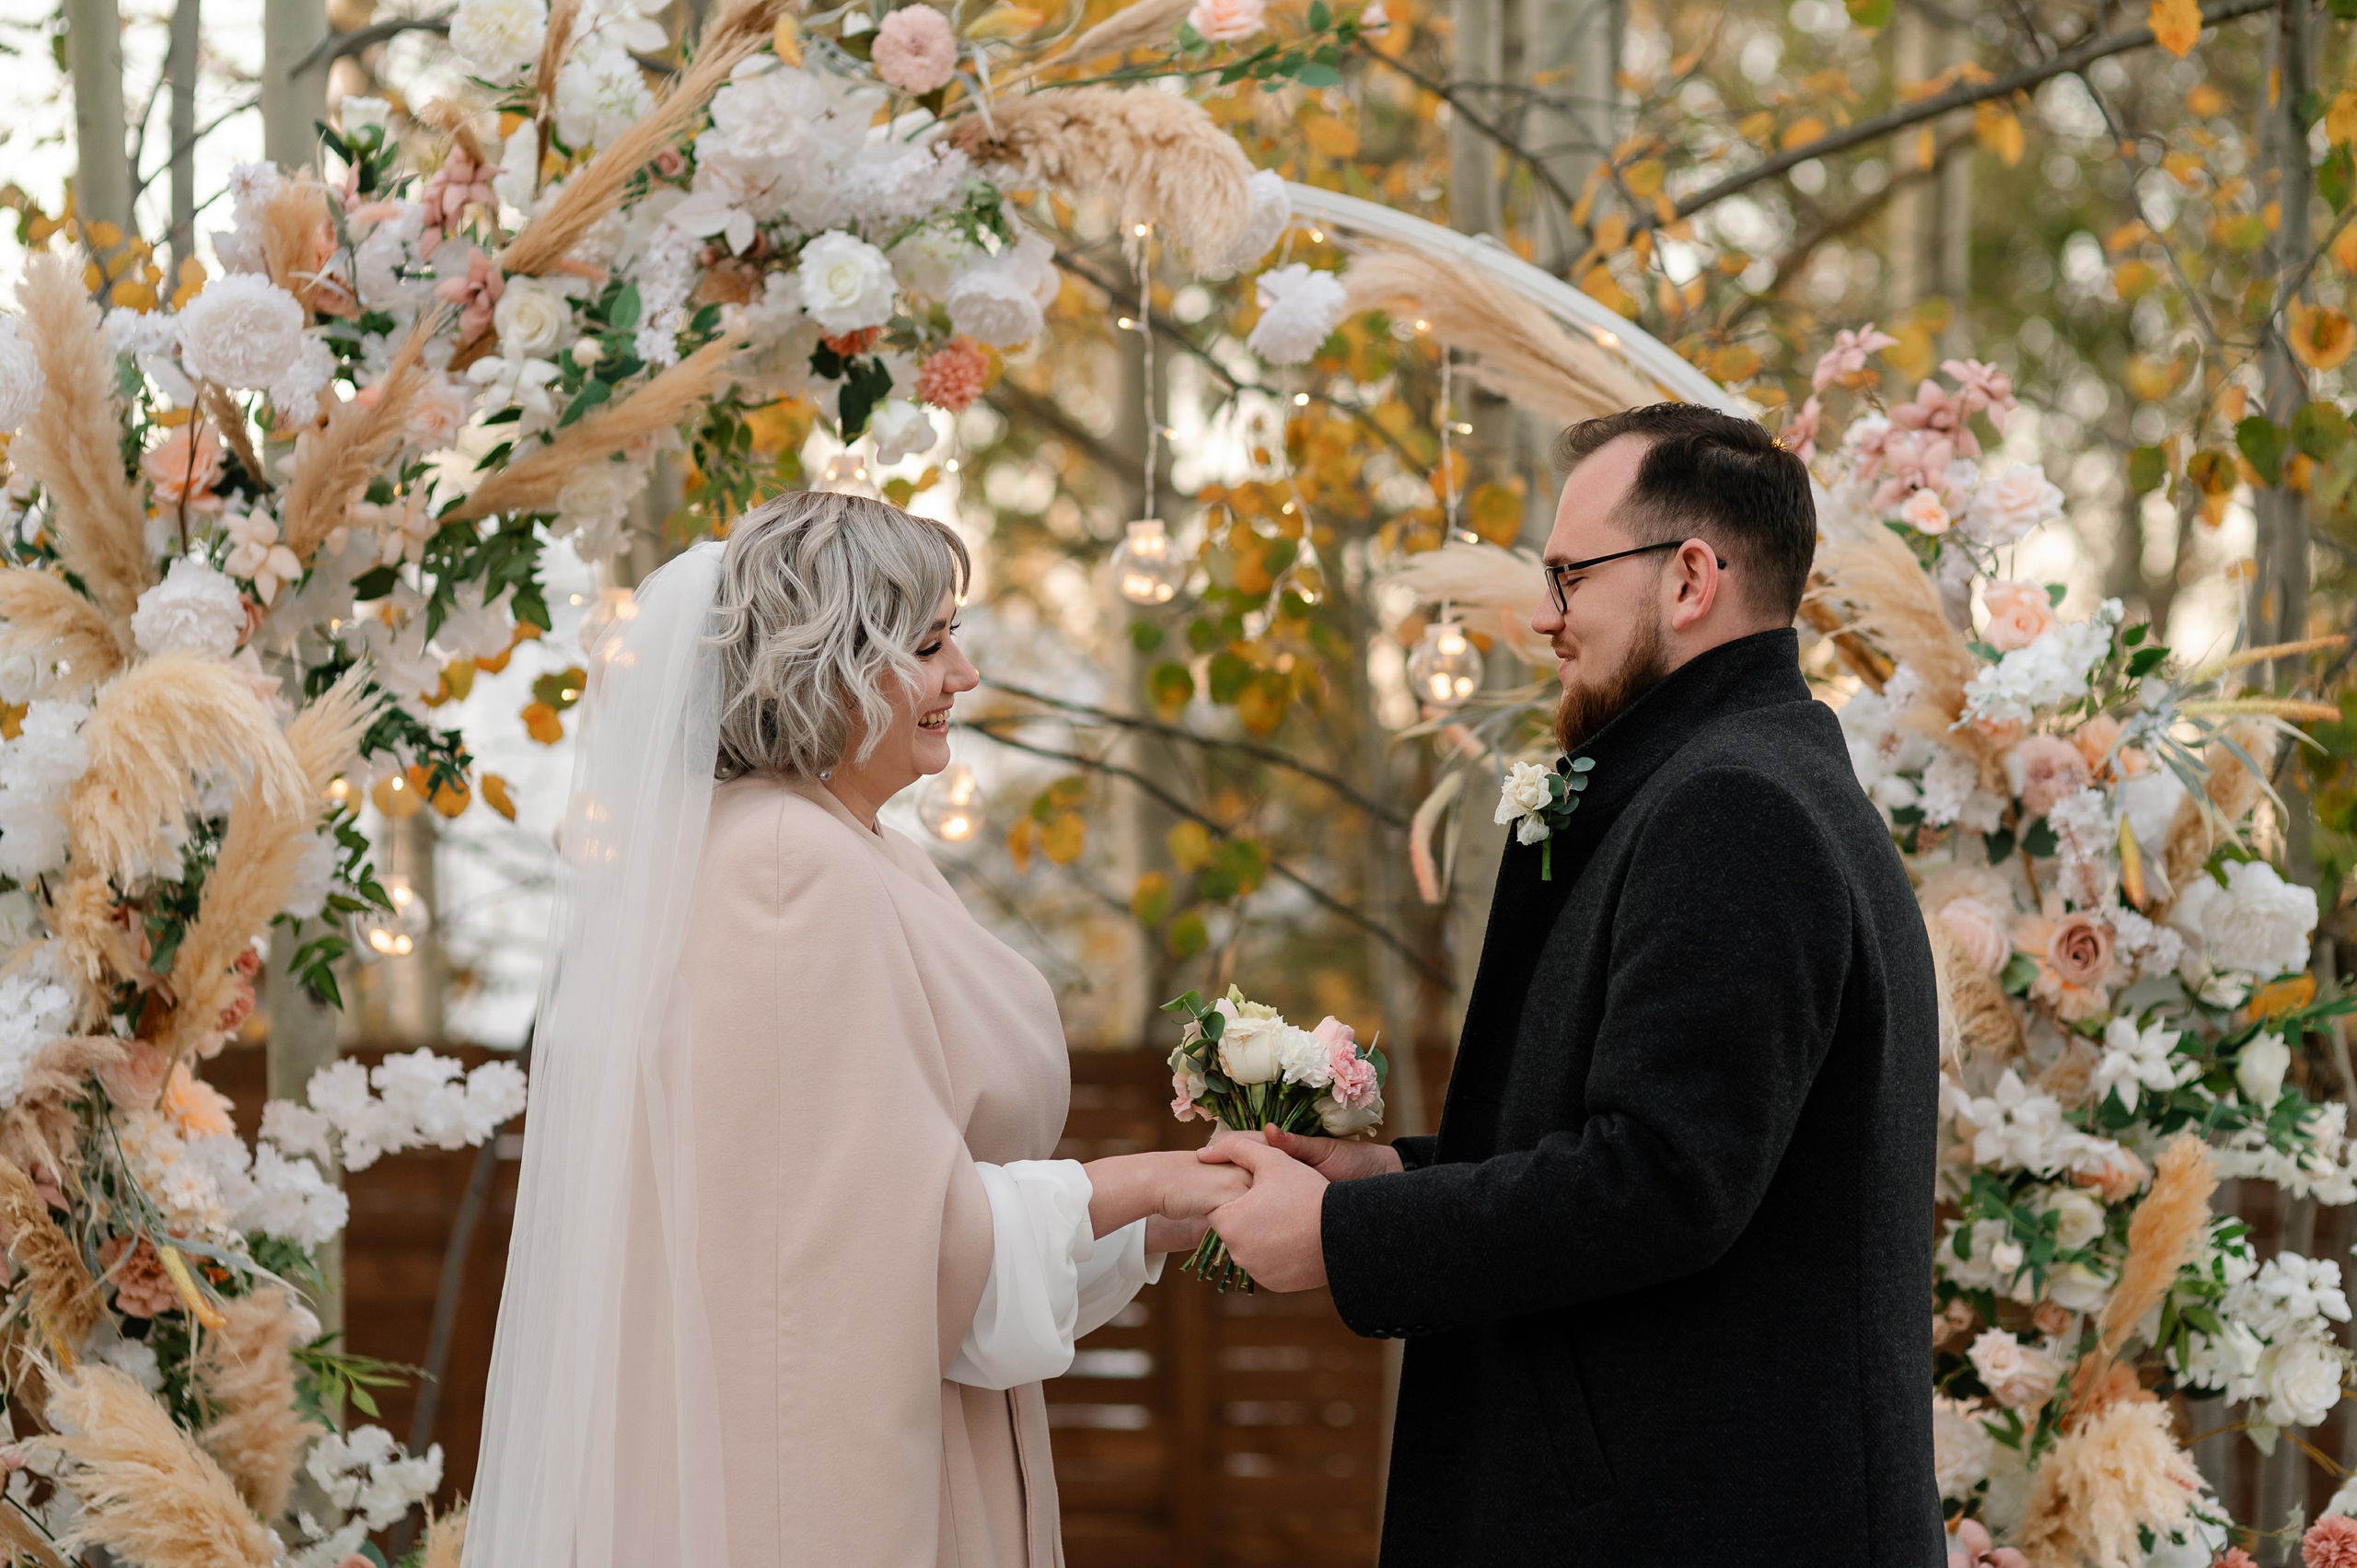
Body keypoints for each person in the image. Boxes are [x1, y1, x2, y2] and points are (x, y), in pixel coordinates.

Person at [1200, 404, 1945, 1564]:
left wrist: (1348, 1235)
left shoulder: (1735, 807)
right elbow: (1629, 1134)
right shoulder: (1741, 778)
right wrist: (1386, 1171)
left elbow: (1659, 1181)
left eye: (1567, 574)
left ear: (1691, 575)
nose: (1543, 616)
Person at [465, 493, 1247, 1568]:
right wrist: (1137, 1188)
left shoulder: (855, 849)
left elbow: (895, 1208)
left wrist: (1150, 1225)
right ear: (823, 665)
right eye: (928, 644)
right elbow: (874, 1261)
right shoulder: (787, 868)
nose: (963, 674)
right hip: (829, 1496)